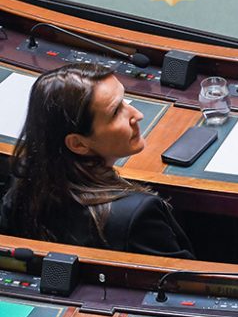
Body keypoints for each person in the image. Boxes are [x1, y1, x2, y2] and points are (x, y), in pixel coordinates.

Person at [0, 63, 195, 259]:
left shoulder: (22, 190)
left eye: (125, 101)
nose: (137, 115)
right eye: (116, 112)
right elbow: (182, 283)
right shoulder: (138, 214)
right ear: (78, 144)